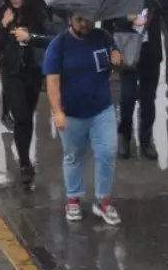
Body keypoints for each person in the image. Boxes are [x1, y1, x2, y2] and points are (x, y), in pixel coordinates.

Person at [43, 13, 123, 225]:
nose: (85, 23)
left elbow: (117, 59)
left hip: (101, 109)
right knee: (74, 156)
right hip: (72, 114)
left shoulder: (103, 37)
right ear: (70, 19)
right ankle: (73, 199)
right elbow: (52, 81)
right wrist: (57, 111)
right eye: (80, 19)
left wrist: (118, 60)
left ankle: (104, 200)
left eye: (87, 19)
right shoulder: (58, 45)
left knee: (107, 152)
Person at [103, 0, 168, 160]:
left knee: (148, 99)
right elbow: (107, 23)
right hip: (127, 51)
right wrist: (122, 25)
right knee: (127, 97)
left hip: (150, 51)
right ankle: (124, 137)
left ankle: (146, 140)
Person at [0, 0, 53, 187]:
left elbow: (49, 37)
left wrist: (29, 36)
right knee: (21, 116)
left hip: (33, 71)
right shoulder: (0, 12)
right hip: (11, 72)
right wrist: (3, 25)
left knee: (28, 115)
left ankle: (25, 157)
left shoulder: (37, 9)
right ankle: (25, 163)